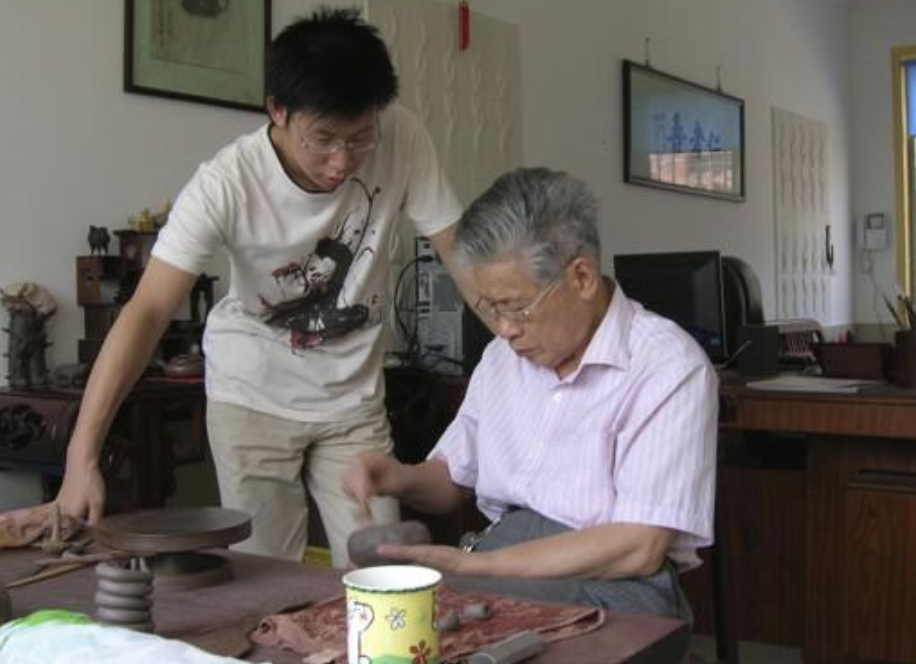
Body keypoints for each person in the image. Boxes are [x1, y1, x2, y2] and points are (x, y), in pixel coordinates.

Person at [55, 7, 466, 566]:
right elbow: (147, 311)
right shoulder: (226, 183)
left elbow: (461, 253)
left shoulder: (402, 137)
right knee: (266, 575)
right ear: (278, 110)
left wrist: (520, 334)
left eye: (360, 138)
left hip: (353, 400)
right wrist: (82, 455)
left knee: (382, 566)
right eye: (323, 139)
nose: (342, 161)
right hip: (252, 395)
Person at [344, 167, 718, 619]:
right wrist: (397, 478)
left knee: (448, 625)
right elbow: (453, 479)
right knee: (384, 618)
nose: (504, 328)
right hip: (502, 559)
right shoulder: (502, 358)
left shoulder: (666, 365)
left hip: (615, 584)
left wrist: (481, 567)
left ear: (581, 277)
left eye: (517, 307)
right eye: (492, 308)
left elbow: (640, 546)